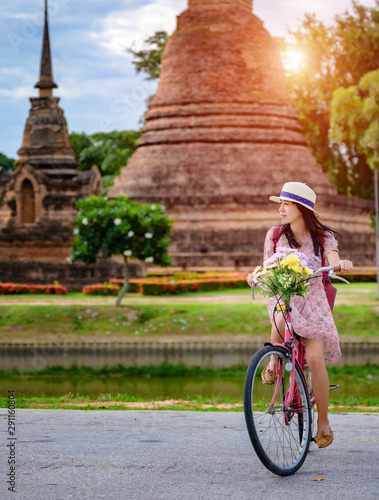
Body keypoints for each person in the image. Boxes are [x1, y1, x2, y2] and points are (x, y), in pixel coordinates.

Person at [247, 182, 353, 449]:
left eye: (286, 204)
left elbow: (332, 254)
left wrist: (340, 262)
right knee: (281, 317)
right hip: (284, 294)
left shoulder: (322, 236)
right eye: (280, 204)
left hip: (313, 299)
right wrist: (256, 275)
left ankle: (324, 423)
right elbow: (268, 265)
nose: (281, 209)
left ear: (301, 208)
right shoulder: (275, 235)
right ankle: (274, 363)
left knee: (316, 358)